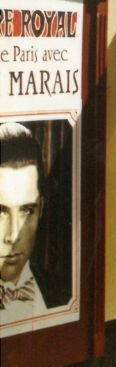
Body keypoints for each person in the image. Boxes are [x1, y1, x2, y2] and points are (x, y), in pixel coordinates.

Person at [0, 122, 48, 322]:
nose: (13, 236)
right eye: (1, 212)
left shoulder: (60, 290)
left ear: (41, 209)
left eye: (27, 211)